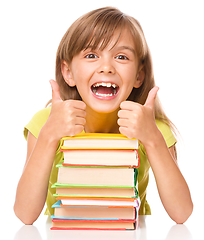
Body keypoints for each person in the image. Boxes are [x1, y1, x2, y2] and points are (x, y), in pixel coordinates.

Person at [14, 7, 193, 225]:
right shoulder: (45, 123)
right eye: (91, 55)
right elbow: (25, 214)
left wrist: (153, 139)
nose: (106, 67)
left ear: (139, 75)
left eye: (121, 56)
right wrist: (48, 136)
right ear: (68, 72)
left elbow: (182, 213)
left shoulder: (153, 130)